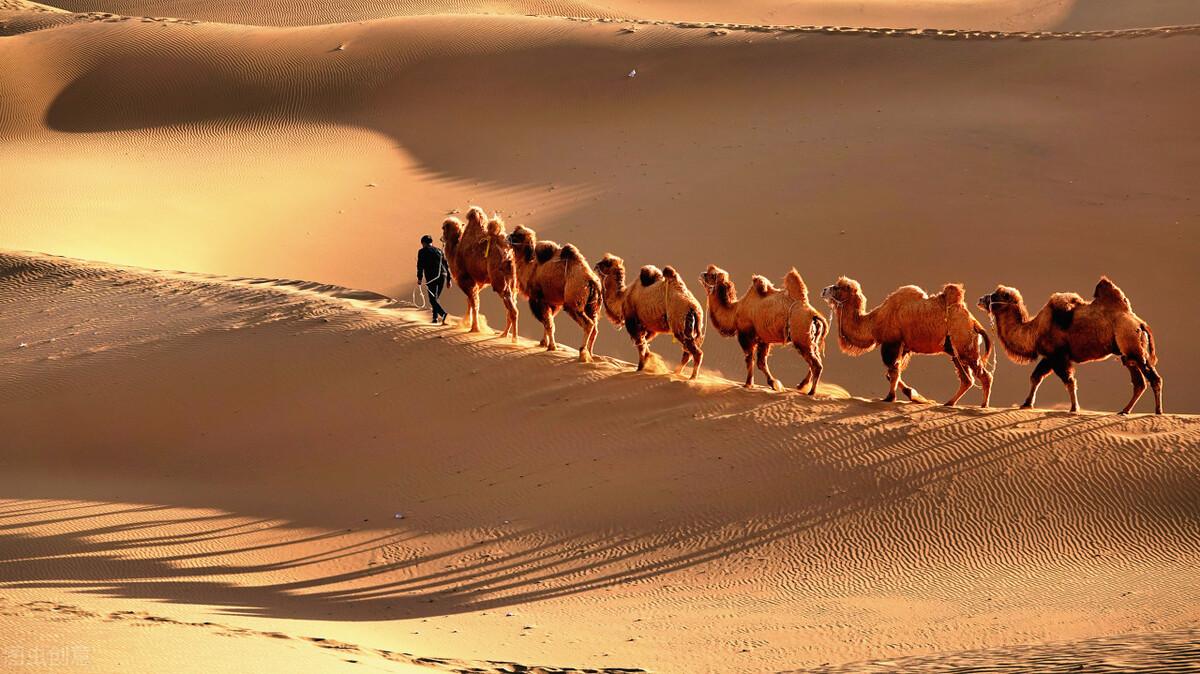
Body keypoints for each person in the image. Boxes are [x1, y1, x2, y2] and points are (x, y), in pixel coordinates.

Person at [416, 234, 451, 324]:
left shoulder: (422, 251)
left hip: (432, 276)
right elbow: (446, 265)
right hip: (443, 275)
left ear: (423, 243)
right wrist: (448, 279)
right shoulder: (439, 251)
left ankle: (443, 314)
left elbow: (420, 266)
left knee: (432, 299)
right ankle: (435, 318)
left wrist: (419, 278)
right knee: (435, 298)